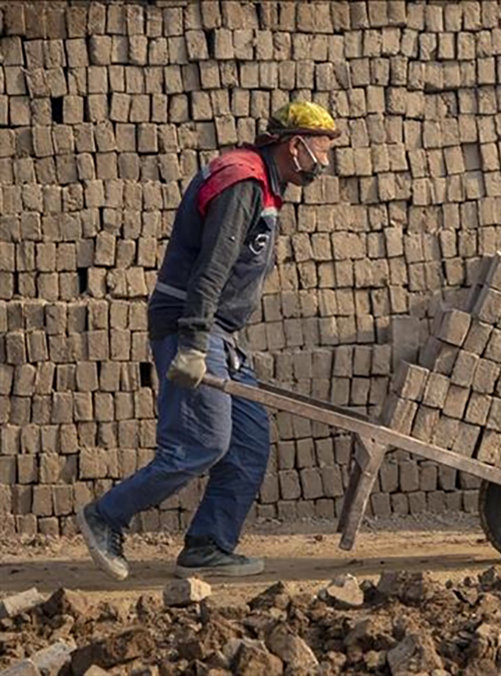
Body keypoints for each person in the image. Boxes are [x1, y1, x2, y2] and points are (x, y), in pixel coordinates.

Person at [76, 102, 340, 580]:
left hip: (221, 332)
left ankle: (208, 545)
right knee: (200, 444)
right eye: (321, 149)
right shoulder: (243, 183)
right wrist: (194, 344)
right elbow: (213, 267)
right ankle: (107, 514)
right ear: (294, 144)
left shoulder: (264, 186)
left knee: (249, 442)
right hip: (190, 323)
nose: (324, 161)